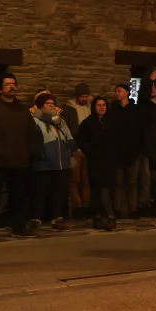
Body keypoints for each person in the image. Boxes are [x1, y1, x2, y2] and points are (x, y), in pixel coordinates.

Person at [0, 74, 39, 242]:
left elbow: (32, 132)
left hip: (19, 160)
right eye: (8, 84)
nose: (12, 86)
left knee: (18, 195)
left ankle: (18, 227)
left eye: (13, 83)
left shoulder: (22, 109)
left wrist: (29, 150)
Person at [30, 93, 76, 231]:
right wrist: (40, 154)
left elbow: (68, 136)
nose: (51, 105)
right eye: (47, 103)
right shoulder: (35, 120)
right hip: (43, 162)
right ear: (40, 106)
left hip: (60, 162)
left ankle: (57, 218)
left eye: (52, 103)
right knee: (40, 192)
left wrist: (71, 150)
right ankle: (36, 219)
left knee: (58, 192)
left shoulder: (60, 121)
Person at [78, 96, 117, 230]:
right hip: (95, 161)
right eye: (98, 105)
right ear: (94, 107)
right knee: (97, 189)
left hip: (109, 161)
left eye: (103, 105)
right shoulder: (88, 123)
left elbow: (118, 140)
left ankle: (109, 214)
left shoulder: (112, 122)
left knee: (106, 188)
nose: (101, 107)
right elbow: (80, 139)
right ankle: (99, 216)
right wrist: (90, 151)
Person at [109, 83, 146, 219]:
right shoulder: (113, 110)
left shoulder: (134, 110)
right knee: (118, 182)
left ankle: (133, 208)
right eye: (116, 91)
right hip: (118, 152)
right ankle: (117, 208)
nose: (117, 93)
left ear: (126, 92)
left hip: (133, 151)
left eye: (119, 91)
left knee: (132, 182)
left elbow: (139, 129)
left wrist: (139, 147)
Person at [61, 83, 92, 219]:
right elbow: (66, 129)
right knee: (75, 179)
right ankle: (77, 206)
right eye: (82, 96)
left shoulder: (90, 108)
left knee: (86, 179)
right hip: (75, 148)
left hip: (88, 149)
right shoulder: (69, 109)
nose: (84, 99)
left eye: (86, 96)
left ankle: (86, 206)